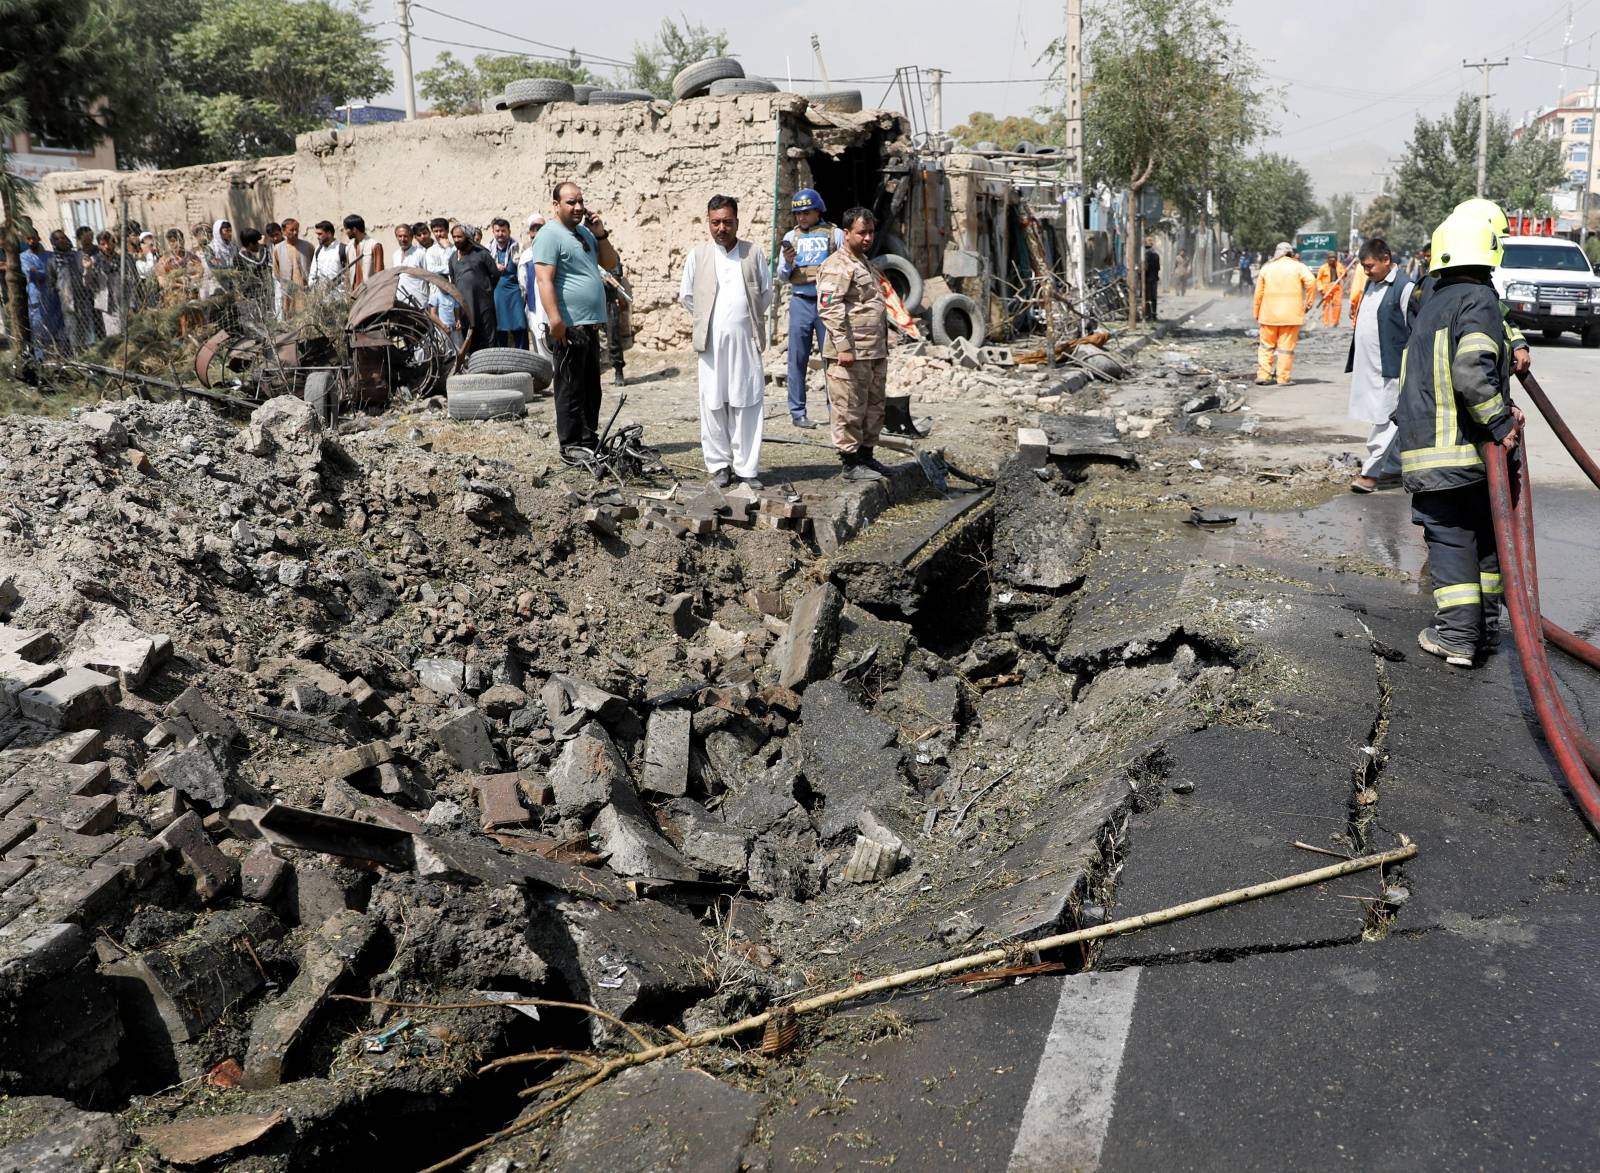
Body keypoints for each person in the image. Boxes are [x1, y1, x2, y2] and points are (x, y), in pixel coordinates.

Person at [1397, 212, 1522, 668]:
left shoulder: (1431, 303)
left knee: (1454, 537)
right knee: (1480, 538)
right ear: (1489, 259)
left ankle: (1460, 635)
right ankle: (1473, 633)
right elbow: (1471, 371)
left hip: (1433, 450)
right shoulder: (1480, 299)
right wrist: (1501, 424)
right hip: (1468, 449)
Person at [679, 194, 773, 489]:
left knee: (747, 402)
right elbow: (688, 296)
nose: (722, 228)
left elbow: (766, 293)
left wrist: (741, 321)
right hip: (710, 345)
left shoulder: (753, 253)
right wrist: (712, 321)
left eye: (727, 222)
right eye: (716, 222)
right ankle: (719, 465)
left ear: (737, 223)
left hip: (746, 341)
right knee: (713, 403)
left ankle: (746, 469)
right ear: (708, 222)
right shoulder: (698, 255)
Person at [533, 181, 618, 456]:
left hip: (590, 324)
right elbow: (544, 280)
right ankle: (570, 444)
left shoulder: (585, 233)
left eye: (581, 201)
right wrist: (556, 320)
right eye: (571, 202)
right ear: (556, 205)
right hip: (569, 325)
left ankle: (588, 438)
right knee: (570, 388)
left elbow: (610, 263)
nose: (578, 207)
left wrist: (600, 234)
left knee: (591, 388)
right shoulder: (549, 234)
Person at [816, 206, 891, 482]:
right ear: (846, 233)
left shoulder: (864, 263)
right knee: (849, 407)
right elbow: (829, 307)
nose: (869, 238)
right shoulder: (838, 265)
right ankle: (850, 463)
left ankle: (866, 457)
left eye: (871, 232)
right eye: (862, 233)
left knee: (873, 407)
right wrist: (843, 346)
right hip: (850, 353)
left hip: (873, 351)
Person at [1345, 238, 1414, 493]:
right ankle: (1394, 468)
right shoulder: (1371, 284)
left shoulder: (1404, 287)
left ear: (1386, 259)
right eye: (1364, 266)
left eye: (1370, 265)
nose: (1366, 271)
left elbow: (1414, 327)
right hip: (1371, 368)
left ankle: (1370, 473)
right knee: (1381, 415)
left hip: (1392, 367)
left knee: (1385, 419)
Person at [777, 188, 844, 429]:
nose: (802, 218)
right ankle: (797, 412)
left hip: (828, 305)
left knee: (833, 359)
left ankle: (835, 411)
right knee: (797, 359)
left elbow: (846, 266)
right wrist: (788, 261)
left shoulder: (835, 235)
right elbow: (782, 276)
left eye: (806, 212)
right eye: (798, 214)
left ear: (818, 211)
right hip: (800, 301)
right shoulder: (791, 237)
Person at [1252, 242, 1316, 386]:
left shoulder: (1267, 268)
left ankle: (1263, 375)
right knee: (1286, 349)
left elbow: (1258, 293)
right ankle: (1283, 378)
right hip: (1291, 315)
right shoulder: (1298, 266)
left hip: (1268, 315)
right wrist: (1308, 303)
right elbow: (1311, 281)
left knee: (1266, 347)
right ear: (1291, 253)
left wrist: (1256, 312)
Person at [448, 222, 499, 357]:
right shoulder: (453, 258)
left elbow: (494, 275)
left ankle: (490, 369)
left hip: (483, 305)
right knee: (469, 339)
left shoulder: (482, 254)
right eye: (454, 237)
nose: (456, 240)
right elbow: (454, 282)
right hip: (464, 307)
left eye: (460, 237)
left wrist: (484, 290)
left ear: (469, 236)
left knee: (487, 338)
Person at [20, 230, 64, 358]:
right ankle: (41, 363)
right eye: (28, 239)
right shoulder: (24, 257)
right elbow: (32, 274)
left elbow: (58, 273)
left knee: (58, 334)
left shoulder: (50, 256)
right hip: (36, 301)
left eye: (33, 238)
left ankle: (60, 361)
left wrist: (41, 272)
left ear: (39, 238)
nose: (31, 241)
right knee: (39, 335)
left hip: (54, 300)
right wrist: (48, 273)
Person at [49, 230, 94, 353]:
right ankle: (79, 361)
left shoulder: (78, 256)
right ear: (53, 243)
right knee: (74, 336)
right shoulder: (53, 262)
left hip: (83, 301)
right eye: (57, 239)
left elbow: (86, 274)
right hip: (67, 304)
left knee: (89, 336)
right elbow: (52, 284)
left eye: (63, 237)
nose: (61, 241)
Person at [155, 228, 204, 336]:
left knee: (196, 326)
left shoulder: (192, 258)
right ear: (169, 243)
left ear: (183, 240)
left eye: (179, 240)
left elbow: (200, 273)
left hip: (191, 298)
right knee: (178, 329)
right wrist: (178, 283)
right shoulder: (164, 261)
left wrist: (190, 280)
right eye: (172, 241)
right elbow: (162, 282)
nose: (176, 244)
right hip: (174, 300)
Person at [487, 217, 525, 349]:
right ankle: (502, 357)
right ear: (493, 232)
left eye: (503, 231)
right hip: (497, 291)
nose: (500, 234)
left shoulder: (517, 247)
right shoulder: (489, 249)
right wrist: (494, 266)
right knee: (500, 327)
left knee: (519, 325)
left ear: (509, 231)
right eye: (497, 231)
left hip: (515, 290)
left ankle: (523, 356)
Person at [520, 213, 550, 359]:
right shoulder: (526, 256)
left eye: (541, 227)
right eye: (534, 228)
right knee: (540, 339)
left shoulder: (555, 249)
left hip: (555, 304)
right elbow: (523, 283)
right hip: (535, 306)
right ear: (530, 232)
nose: (537, 231)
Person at [86, 230, 125, 337]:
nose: (107, 246)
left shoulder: (121, 259)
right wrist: (88, 270)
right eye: (103, 244)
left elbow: (130, 281)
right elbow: (88, 283)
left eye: (109, 243)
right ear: (98, 245)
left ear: (113, 243)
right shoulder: (94, 261)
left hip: (123, 301)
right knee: (114, 336)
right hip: (108, 305)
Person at [271, 218, 312, 318]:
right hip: (287, 291)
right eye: (292, 230)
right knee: (289, 315)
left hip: (304, 289)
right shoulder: (278, 249)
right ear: (284, 231)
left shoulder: (308, 246)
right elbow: (275, 272)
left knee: (305, 315)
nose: (295, 232)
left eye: (297, 229)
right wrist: (285, 284)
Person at [235, 227, 273, 314]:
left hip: (258, 297)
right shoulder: (241, 256)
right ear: (250, 244)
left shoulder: (248, 255)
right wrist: (264, 247)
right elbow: (260, 264)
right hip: (250, 300)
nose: (258, 246)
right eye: (257, 243)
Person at [392, 221, 429, 308]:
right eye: (399, 236)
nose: (402, 239)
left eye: (405, 236)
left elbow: (429, 278)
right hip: (401, 302)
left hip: (419, 302)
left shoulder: (420, 254)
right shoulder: (395, 255)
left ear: (411, 237)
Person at [343, 214, 383, 289]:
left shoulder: (374, 245)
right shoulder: (349, 247)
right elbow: (348, 272)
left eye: (346, 229)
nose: (345, 232)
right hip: (354, 293)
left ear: (354, 229)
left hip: (369, 292)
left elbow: (379, 274)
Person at [200, 219, 236, 298]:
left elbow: (237, 261)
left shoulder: (233, 246)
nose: (229, 233)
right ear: (218, 232)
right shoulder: (211, 248)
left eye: (230, 231)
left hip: (231, 284)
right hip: (217, 286)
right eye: (226, 231)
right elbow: (213, 267)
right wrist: (230, 270)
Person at [307, 221, 345, 288]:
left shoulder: (342, 248)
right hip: (321, 295)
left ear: (329, 234)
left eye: (320, 234)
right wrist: (312, 286)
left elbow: (347, 274)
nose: (318, 237)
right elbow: (313, 272)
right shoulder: (318, 249)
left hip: (339, 295)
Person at [1315, 251, 1345, 328]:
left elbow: (1343, 274)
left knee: (1337, 305)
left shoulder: (1339, 265)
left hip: (1337, 287)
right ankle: (1326, 323)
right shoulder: (1323, 268)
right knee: (1326, 306)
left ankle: (1335, 323)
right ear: (1327, 259)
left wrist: (1344, 273)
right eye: (1330, 258)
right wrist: (1321, 289)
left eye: (1334, 258)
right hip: (1326, 288)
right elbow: (1318, 280)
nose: (1332, 259)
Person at [1142, 240, 1161, 320]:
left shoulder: (1145, 256)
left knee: (1147, 297)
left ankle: (1148, 314)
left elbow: (1145, 268)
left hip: (1147, 279)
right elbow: (1158, 268)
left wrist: (1141, 274)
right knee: (1153, 297)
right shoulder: (1156, 255)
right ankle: (1153, 314)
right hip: (1154, 278)